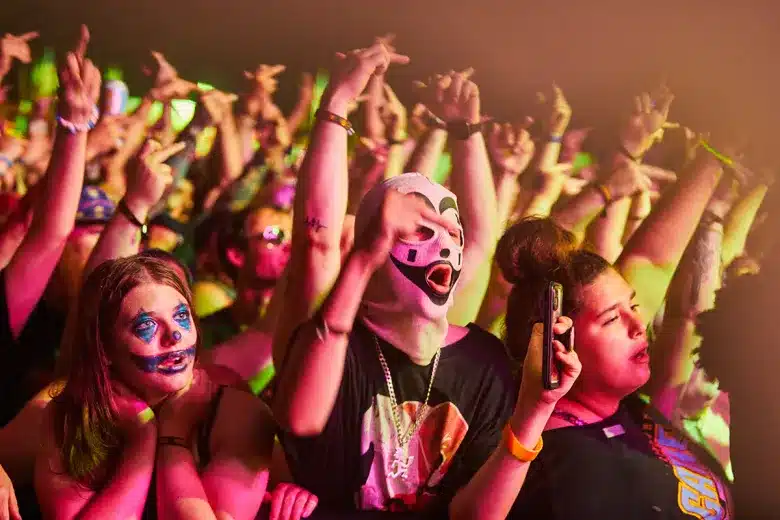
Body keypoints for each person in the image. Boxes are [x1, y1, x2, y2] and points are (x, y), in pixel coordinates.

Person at [473, 217, 733, 519]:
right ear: (559, 342)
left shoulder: (626, 408)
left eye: (633, 307)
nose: (638, 326)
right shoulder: (564, 469)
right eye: (611, 319)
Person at [35, 255, 273, 519]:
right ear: (104, 349)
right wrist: (143, 438)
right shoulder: (68, 416)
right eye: (147, 325)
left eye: (182, 316)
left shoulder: (240, 415)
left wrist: (173, 438)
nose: (175, 335)